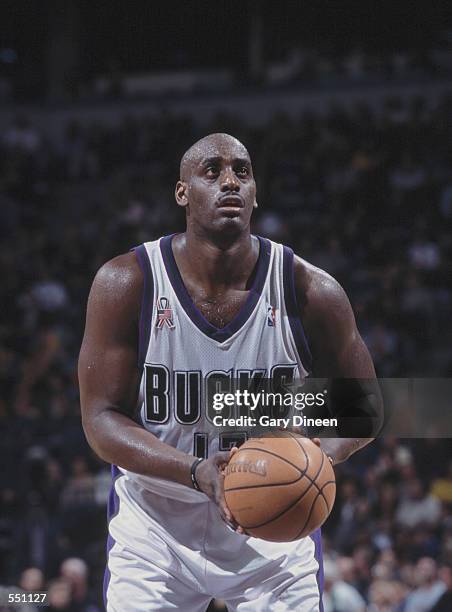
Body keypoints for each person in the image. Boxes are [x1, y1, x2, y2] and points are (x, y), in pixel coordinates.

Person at [79, 133, 382, 611]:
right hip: (155, 530)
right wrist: (197, 471)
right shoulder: (128, 282)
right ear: (182, 193)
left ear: (256, 193)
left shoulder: (309, 290)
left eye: (242, 172)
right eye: (212, 171)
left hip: (270, 540)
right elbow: (100, 420)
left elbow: (362, 410)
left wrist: (313, 453)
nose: (230, 182)